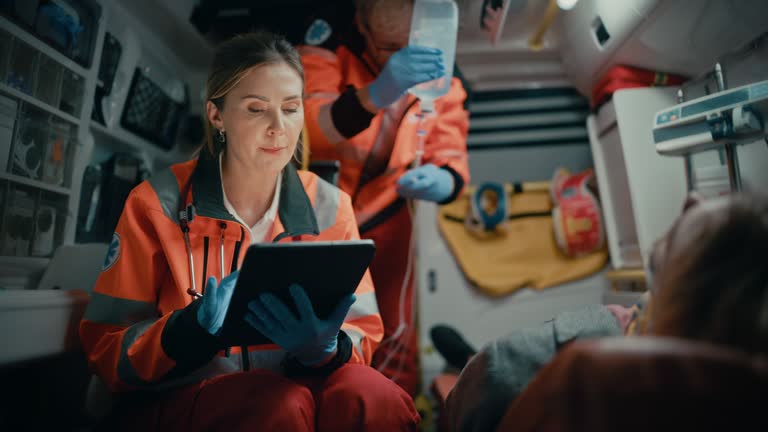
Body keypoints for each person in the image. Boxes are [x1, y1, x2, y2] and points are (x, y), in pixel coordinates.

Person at [79, 31, 420, 431]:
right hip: (193, 395)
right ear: (217, 115)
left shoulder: (331, 205)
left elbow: (363, 334)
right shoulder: (155, 204)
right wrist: (187, 329)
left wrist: (327, 348)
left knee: (373, 396)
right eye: (257, 109)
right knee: (277, 405)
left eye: (291, 109)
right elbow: (107, 353)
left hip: (301, 385)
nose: (279, 127)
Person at [443, 191, 768, 432]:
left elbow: (471, 399)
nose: (692, 199)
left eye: (736, 216)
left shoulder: (577, 371)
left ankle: (465, 359)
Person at [299, 0, 471, 396]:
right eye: (391, 48)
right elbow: (309, 129)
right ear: (360, 23)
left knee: (396, 332)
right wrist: (376, 94)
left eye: (413, 43)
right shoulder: (325, 56)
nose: (405, 57)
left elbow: (452, 156)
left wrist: (443, 181)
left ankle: (395, 411)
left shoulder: (445, 81)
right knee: (314, 327)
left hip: (390, 219)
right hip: (320, 216)